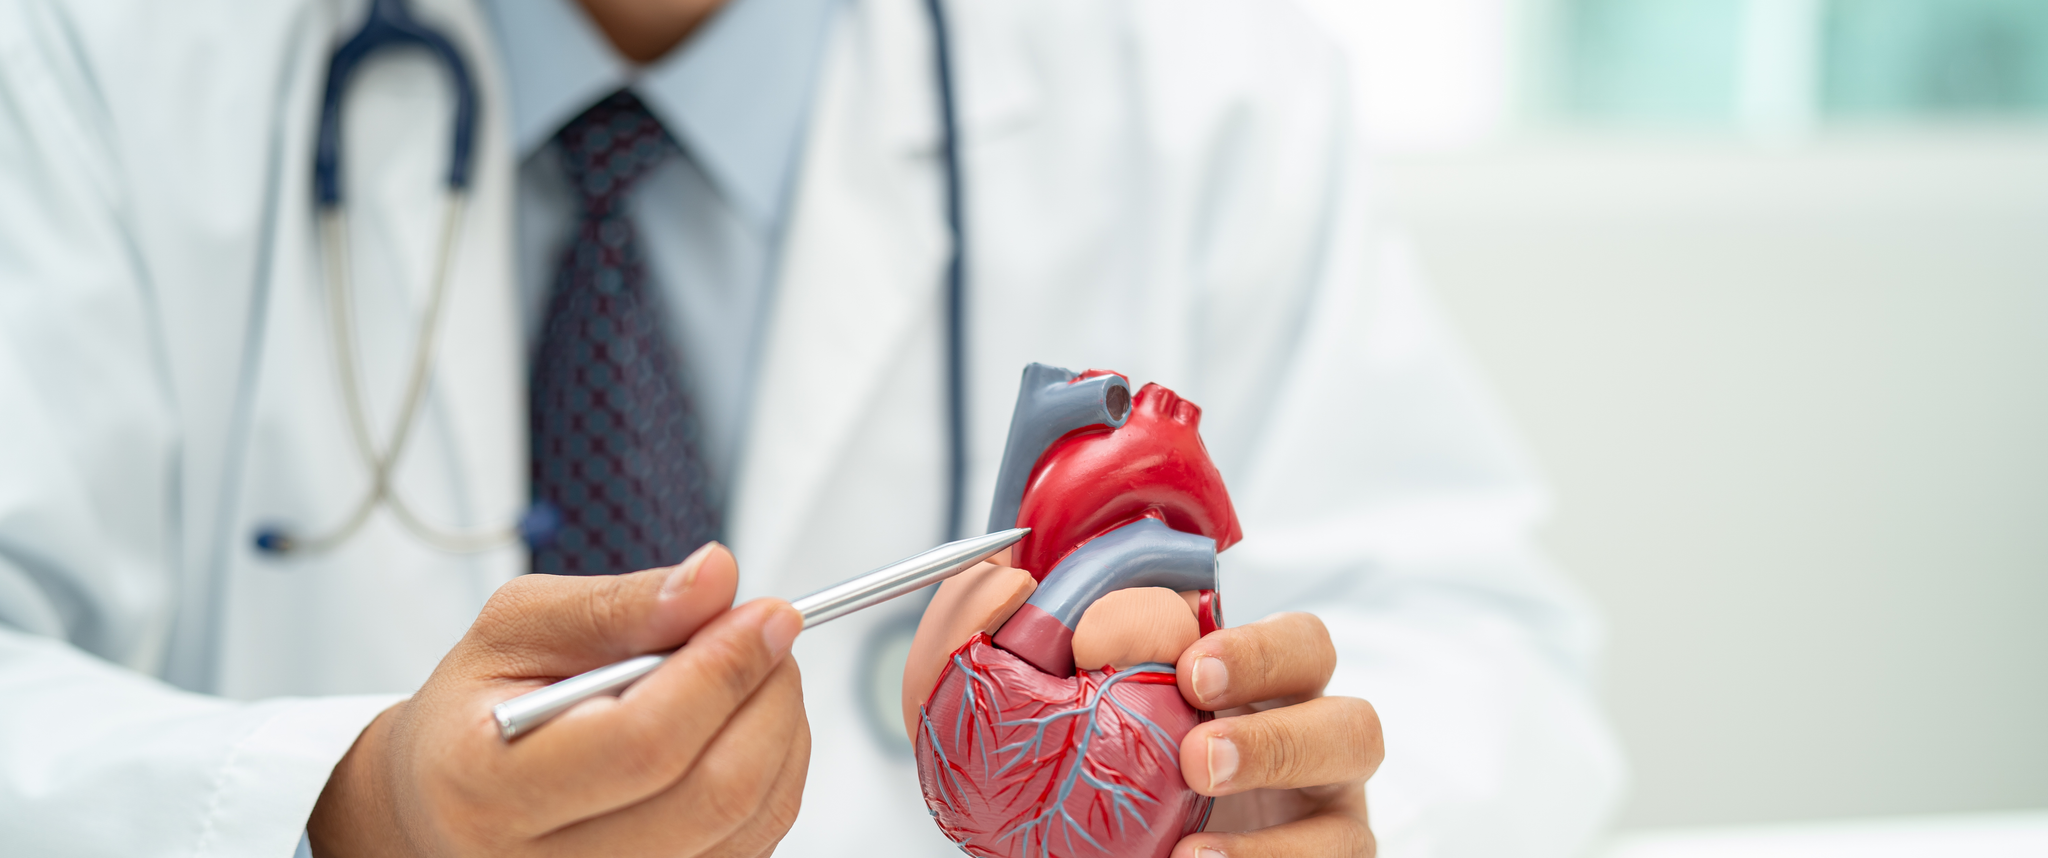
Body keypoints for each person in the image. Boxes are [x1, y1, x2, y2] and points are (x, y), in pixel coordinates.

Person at [0, 0, 1625, 855]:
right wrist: (338, 812)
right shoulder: (95, 52)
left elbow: (1495, 655)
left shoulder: (1193, 73)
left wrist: (1289, 798)